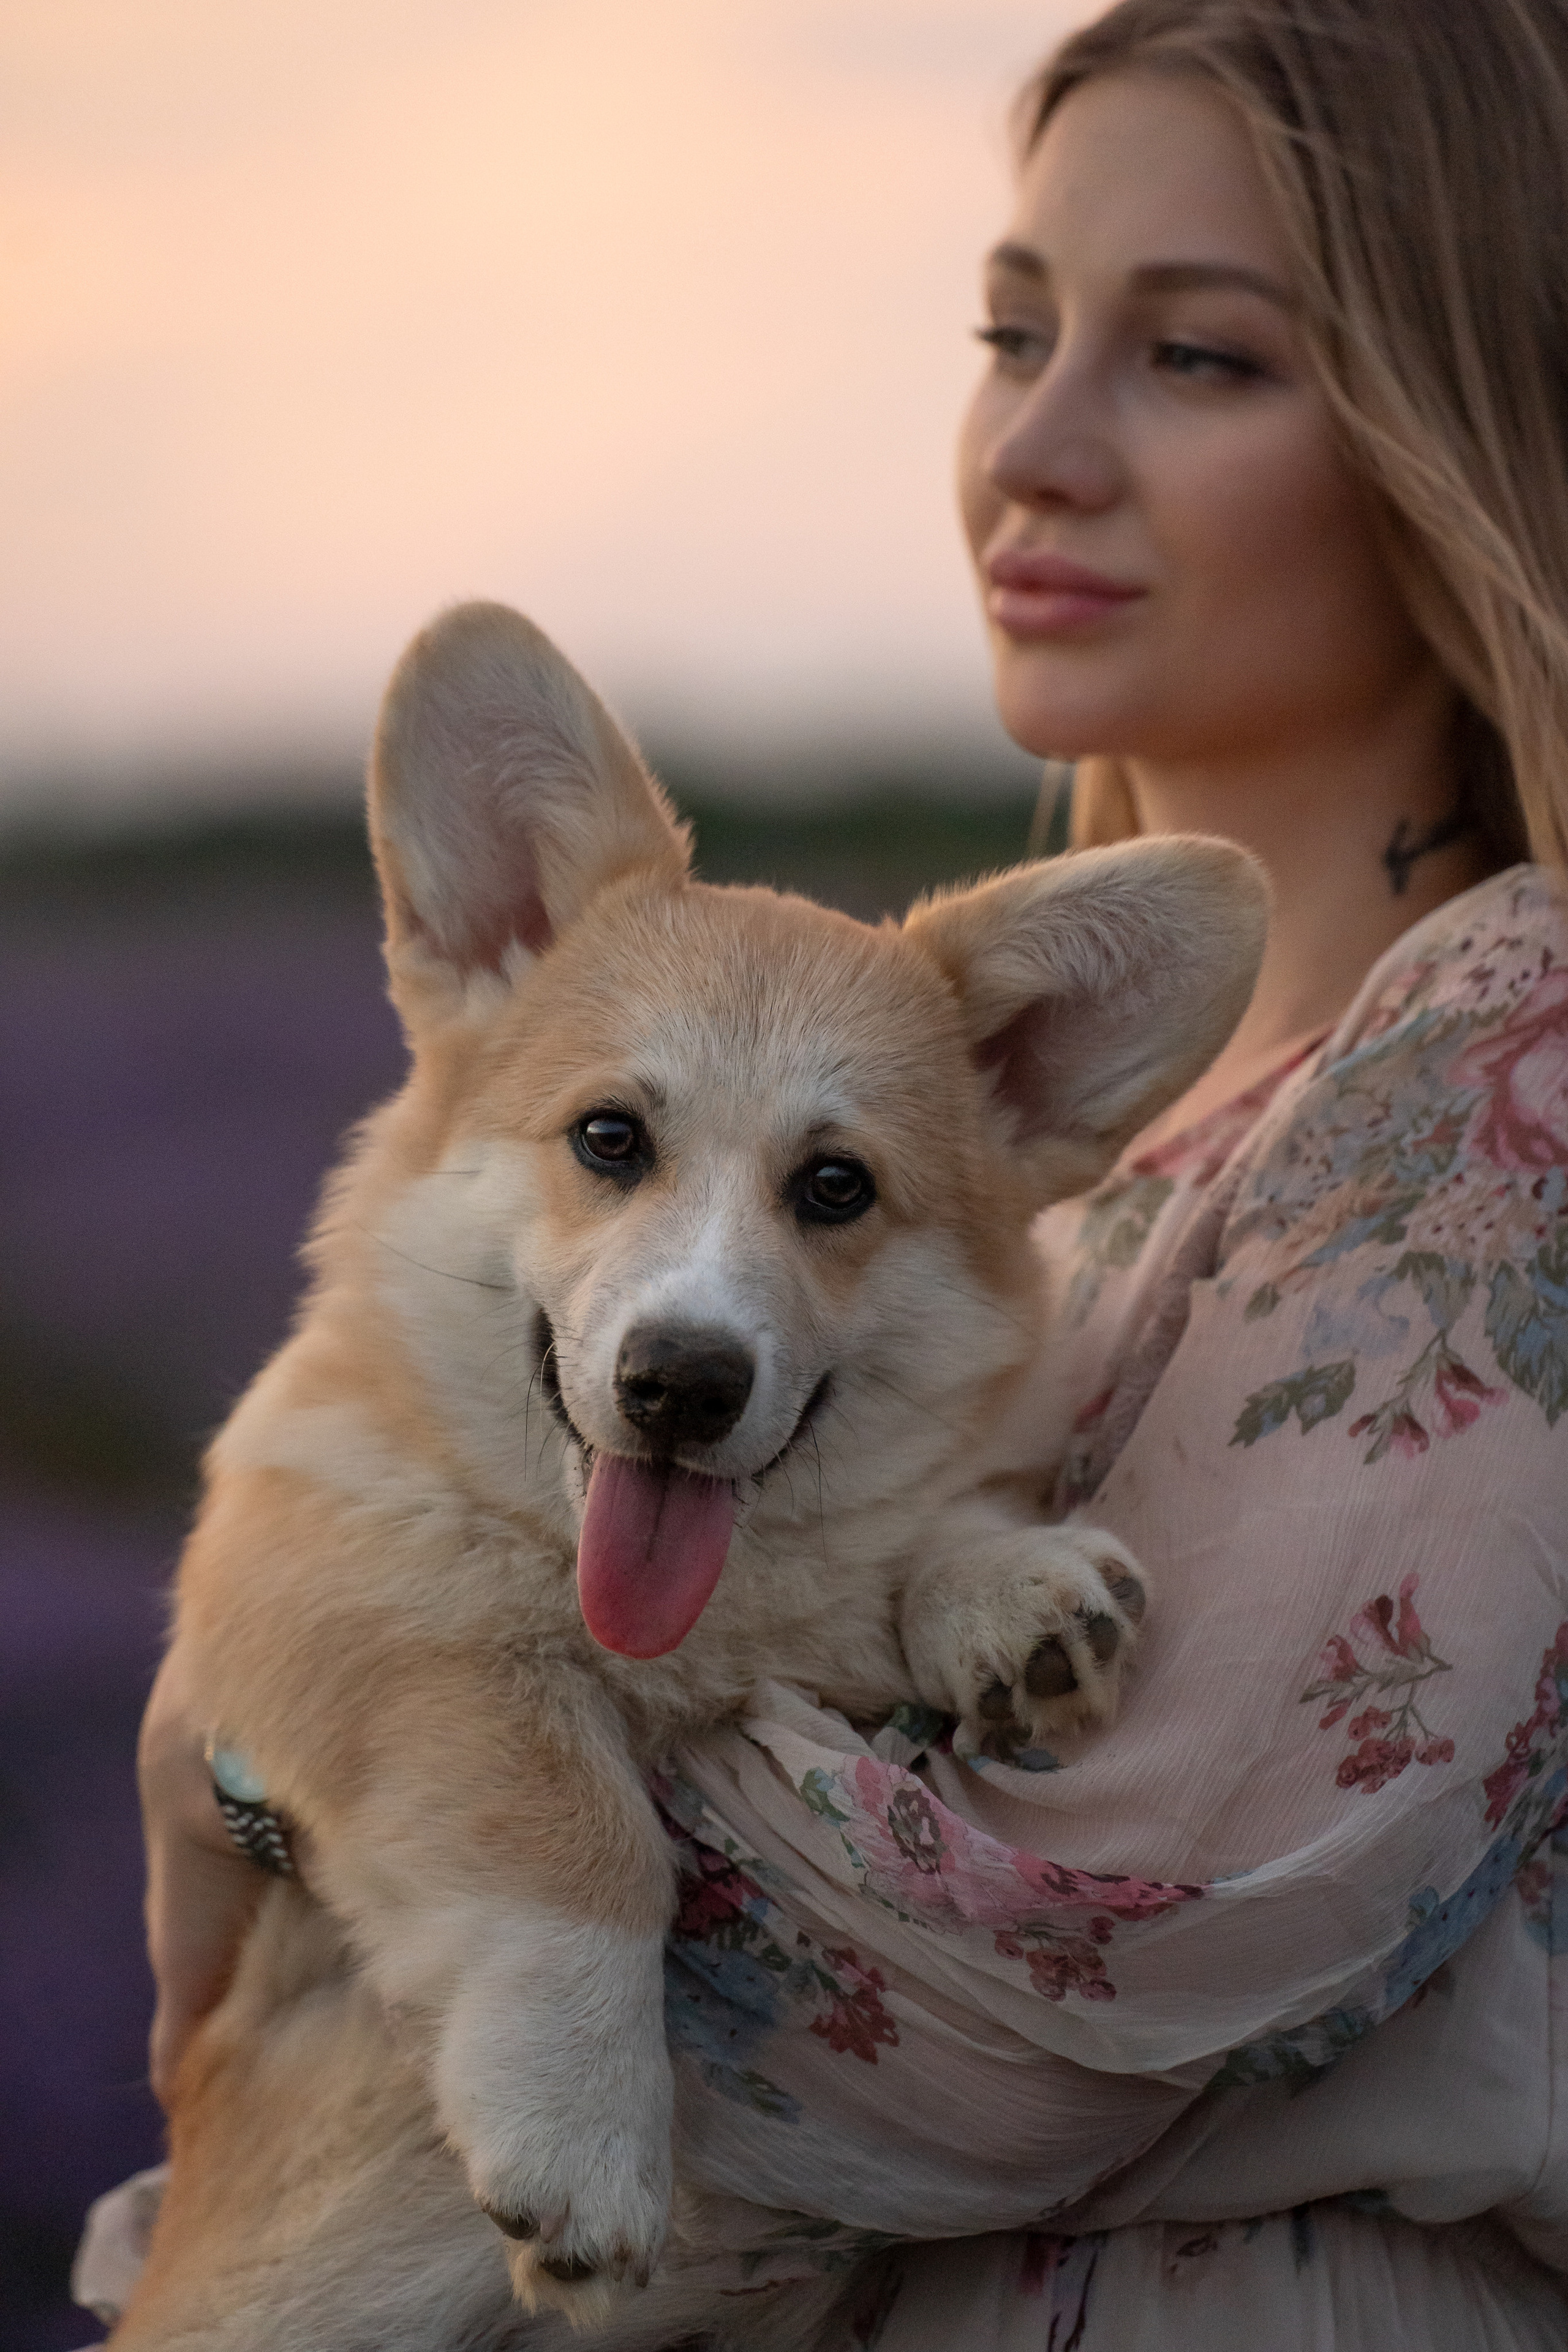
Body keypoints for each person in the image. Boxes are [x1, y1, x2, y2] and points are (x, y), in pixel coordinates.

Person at [123, 0, 1568, 2343]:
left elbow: (1071, 1994)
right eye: (1012, 332)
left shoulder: (1502, 1067)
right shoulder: (1093, 1160)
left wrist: (291, 1784)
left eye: (1195, 358)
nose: (1038, 446)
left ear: (1452, 418)